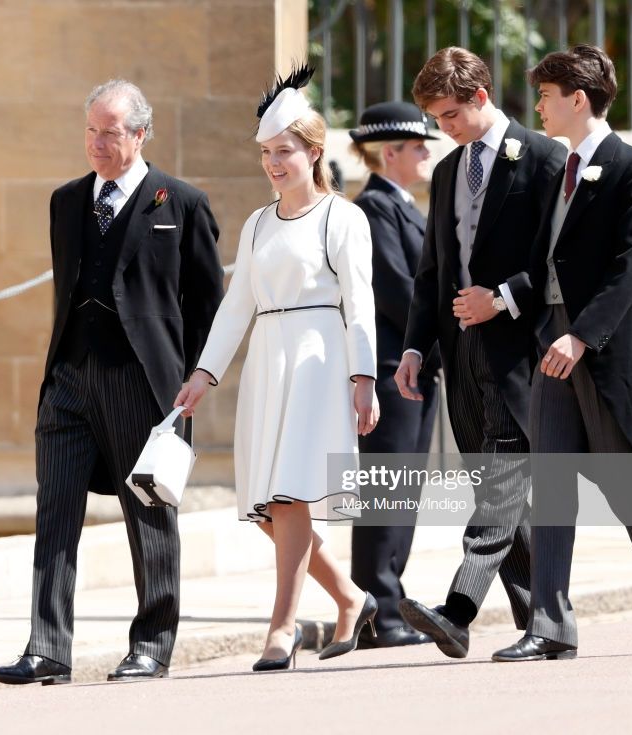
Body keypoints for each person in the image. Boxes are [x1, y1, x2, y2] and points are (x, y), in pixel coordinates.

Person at [0, 80, 224, 686]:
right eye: (91, 130)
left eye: (111, 132)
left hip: (143, 384)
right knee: (55, 511)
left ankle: (151, 644)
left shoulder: (182, 203)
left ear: (141, 133)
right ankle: (48, 648)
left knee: (148, 515)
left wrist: (196, 376)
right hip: (68, 379)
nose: (98, 143)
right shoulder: (65, 201)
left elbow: (207, 304)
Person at [491, 45, 632, 662]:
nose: (538, 106)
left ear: (577, 99)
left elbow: (631, 268)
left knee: (626, 484)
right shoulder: (556, 171)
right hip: (550, 345)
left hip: (601, 346)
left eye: (546, 95)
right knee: (553, 484)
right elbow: (543, 264)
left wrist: (581, 336)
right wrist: (522, 316)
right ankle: (550, 626)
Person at [176, 66, 380, 670]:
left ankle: (282, 627)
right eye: (266, 153)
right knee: (270, 505)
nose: (272, 163)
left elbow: (360, 303)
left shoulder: (344, 219)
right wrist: (204, 374)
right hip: (268, 363)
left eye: (283, 151)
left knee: (289, 495)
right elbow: (236, 305)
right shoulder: (258, 223)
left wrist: (363, 379)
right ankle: (350, 598)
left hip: (321, 362)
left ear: (313, 153)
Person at [393, 48, 566, 659]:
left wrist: (503, 300)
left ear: (481, 98)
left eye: (448, 116)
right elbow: (431, 272)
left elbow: (558, 260)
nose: (443, 129)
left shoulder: (545, 158)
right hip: (457, 352)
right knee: (502, 491)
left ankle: (458, 610)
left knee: (500, 485)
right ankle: (549, 625)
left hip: (519, 351)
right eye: (436, 120)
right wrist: (415, 346)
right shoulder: (446, 173)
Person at [347, 102, 441, 649]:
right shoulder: (374, 210)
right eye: (417, 145)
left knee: (403, 490)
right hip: (390, 373)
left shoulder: (402, 205)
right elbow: (401, 294)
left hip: (416, 370)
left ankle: (389, 604)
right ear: (390, 153)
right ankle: (377, 612)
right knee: (388, 491)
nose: (427, 152)